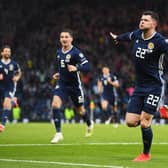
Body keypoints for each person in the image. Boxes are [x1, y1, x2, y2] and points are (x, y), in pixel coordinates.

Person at [110, 10, 168, 162]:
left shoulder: (160, 41)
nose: (142, 21)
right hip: (139, 87)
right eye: (141, 19)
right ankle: (162, 109)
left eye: (146, 20)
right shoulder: (137, 35)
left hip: (155, 86)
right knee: (130, 122)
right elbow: (127, 36)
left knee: (144, 122)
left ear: (154, 24)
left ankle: (145, 154)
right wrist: (118, 38)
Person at [50, 29, 94, 143]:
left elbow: (88, 67)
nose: (64, 39)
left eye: (66, 37)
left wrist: (77, 68)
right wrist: (59, 74)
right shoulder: (59, 52)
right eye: (62, 37)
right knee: (55, 104)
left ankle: (89, 123)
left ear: (71, 39)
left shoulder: (76, 52)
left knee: (80, 110)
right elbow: (62, 68)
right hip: (62, 84)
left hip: (75, 87)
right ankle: (58, 133)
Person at [0, 45, 21, 132]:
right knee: (6, 104)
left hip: (9, 87)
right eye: (6, 51)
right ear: (2, 53)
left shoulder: (14, 64)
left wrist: (17, 77)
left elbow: (19, 72)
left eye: (9, 51)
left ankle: (2, 125)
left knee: (6, 104)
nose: (8, 53)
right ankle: (13, 101)